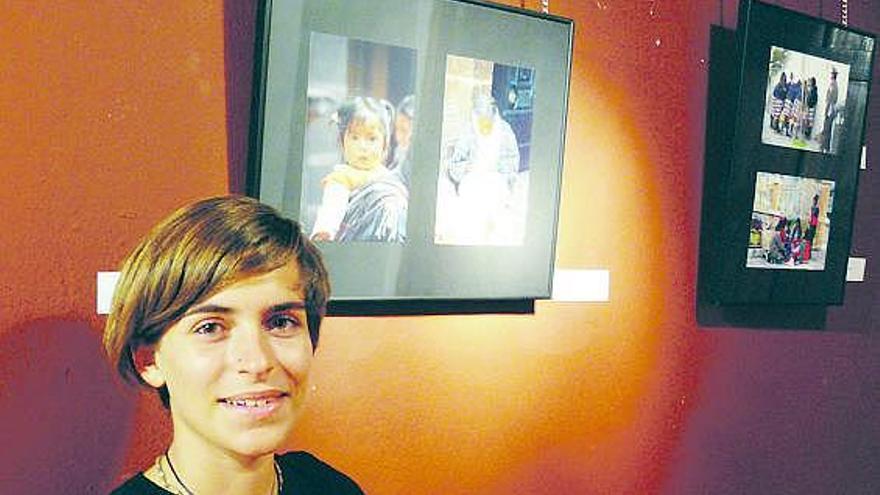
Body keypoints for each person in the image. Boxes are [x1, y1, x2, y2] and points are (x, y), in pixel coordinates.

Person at [104, 196, 363, 494]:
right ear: (148, 360)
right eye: (210, 328)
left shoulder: (328, 486)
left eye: (280, 322)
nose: (257, 362)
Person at [311, 96, 396, 241]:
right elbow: (332, 209)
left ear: (385, 145)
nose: (362, 147)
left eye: (371, 139)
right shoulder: (341, 178)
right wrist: (324, 231)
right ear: (342, 142)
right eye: (355, 138)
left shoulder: (390, 178)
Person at [821, 67, 839, 153]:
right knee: (827, 128)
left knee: (826, 128)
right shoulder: (834, 84)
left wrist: (826, 111)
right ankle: (825, 146)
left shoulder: (833, 84)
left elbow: (830, 99)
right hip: (830, 108)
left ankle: (824, 147)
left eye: (831, 74)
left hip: (830, 109)